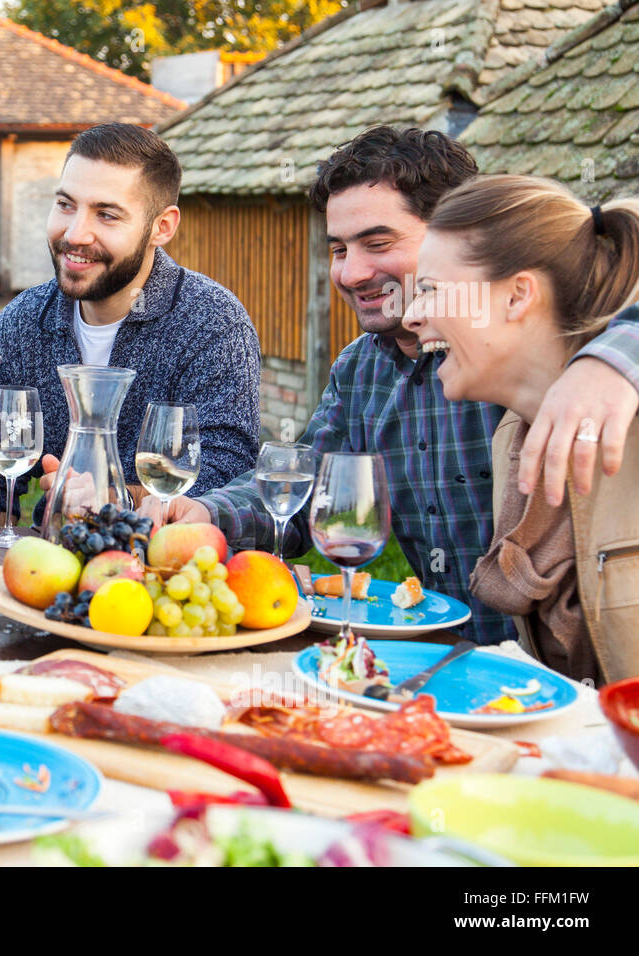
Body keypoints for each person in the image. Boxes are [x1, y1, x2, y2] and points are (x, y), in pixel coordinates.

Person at [141, 127, 639, 646]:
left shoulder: (563, 371)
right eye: (338, 249)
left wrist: (615, 358)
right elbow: (304, 484)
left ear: (451, 233)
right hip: (446, 665)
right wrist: (206, 514)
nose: (352, 273)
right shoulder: (361, 371)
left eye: (378, 243)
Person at [0, 122, 261, 513]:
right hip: (46, 564)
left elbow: (228, 476)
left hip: (160, 565)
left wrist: (114, 494)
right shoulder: (23, 320)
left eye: (107, 215)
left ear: (161, 227)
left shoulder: (212, 323)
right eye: (66, 205)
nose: (75, 233)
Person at [401, 175, 639, 683]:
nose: (412, 315)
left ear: (517, 297)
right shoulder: (513, 436)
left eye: (429, 291)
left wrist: (622, 352)